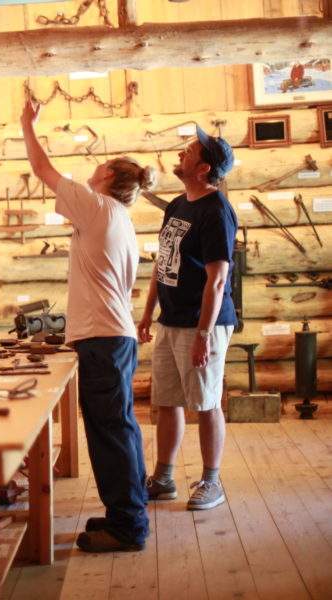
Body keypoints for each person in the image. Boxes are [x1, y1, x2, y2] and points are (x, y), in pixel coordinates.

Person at [21, 100, 156, 553]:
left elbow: (42, 168)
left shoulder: (98, 207)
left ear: (109, 182)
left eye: (97, 168)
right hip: (112, 337)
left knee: (110, 433)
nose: (91, 172)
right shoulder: (117, 217)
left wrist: (27, 124)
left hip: (103, 339)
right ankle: (126, 512)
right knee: (119, 429)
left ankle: (127, 526)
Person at [137, 125, 237, 511]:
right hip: (171, 320)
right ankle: (163, 479)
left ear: (203, 168)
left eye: (190, 151)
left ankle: (211, 482)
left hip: (202, 323)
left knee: (207, 402)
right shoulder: (179, 204)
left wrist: (203, 335)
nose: (182, 152)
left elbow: (217, 280)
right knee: (168, 401)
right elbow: (163, 263)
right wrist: (148, 313)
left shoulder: (216, 211)